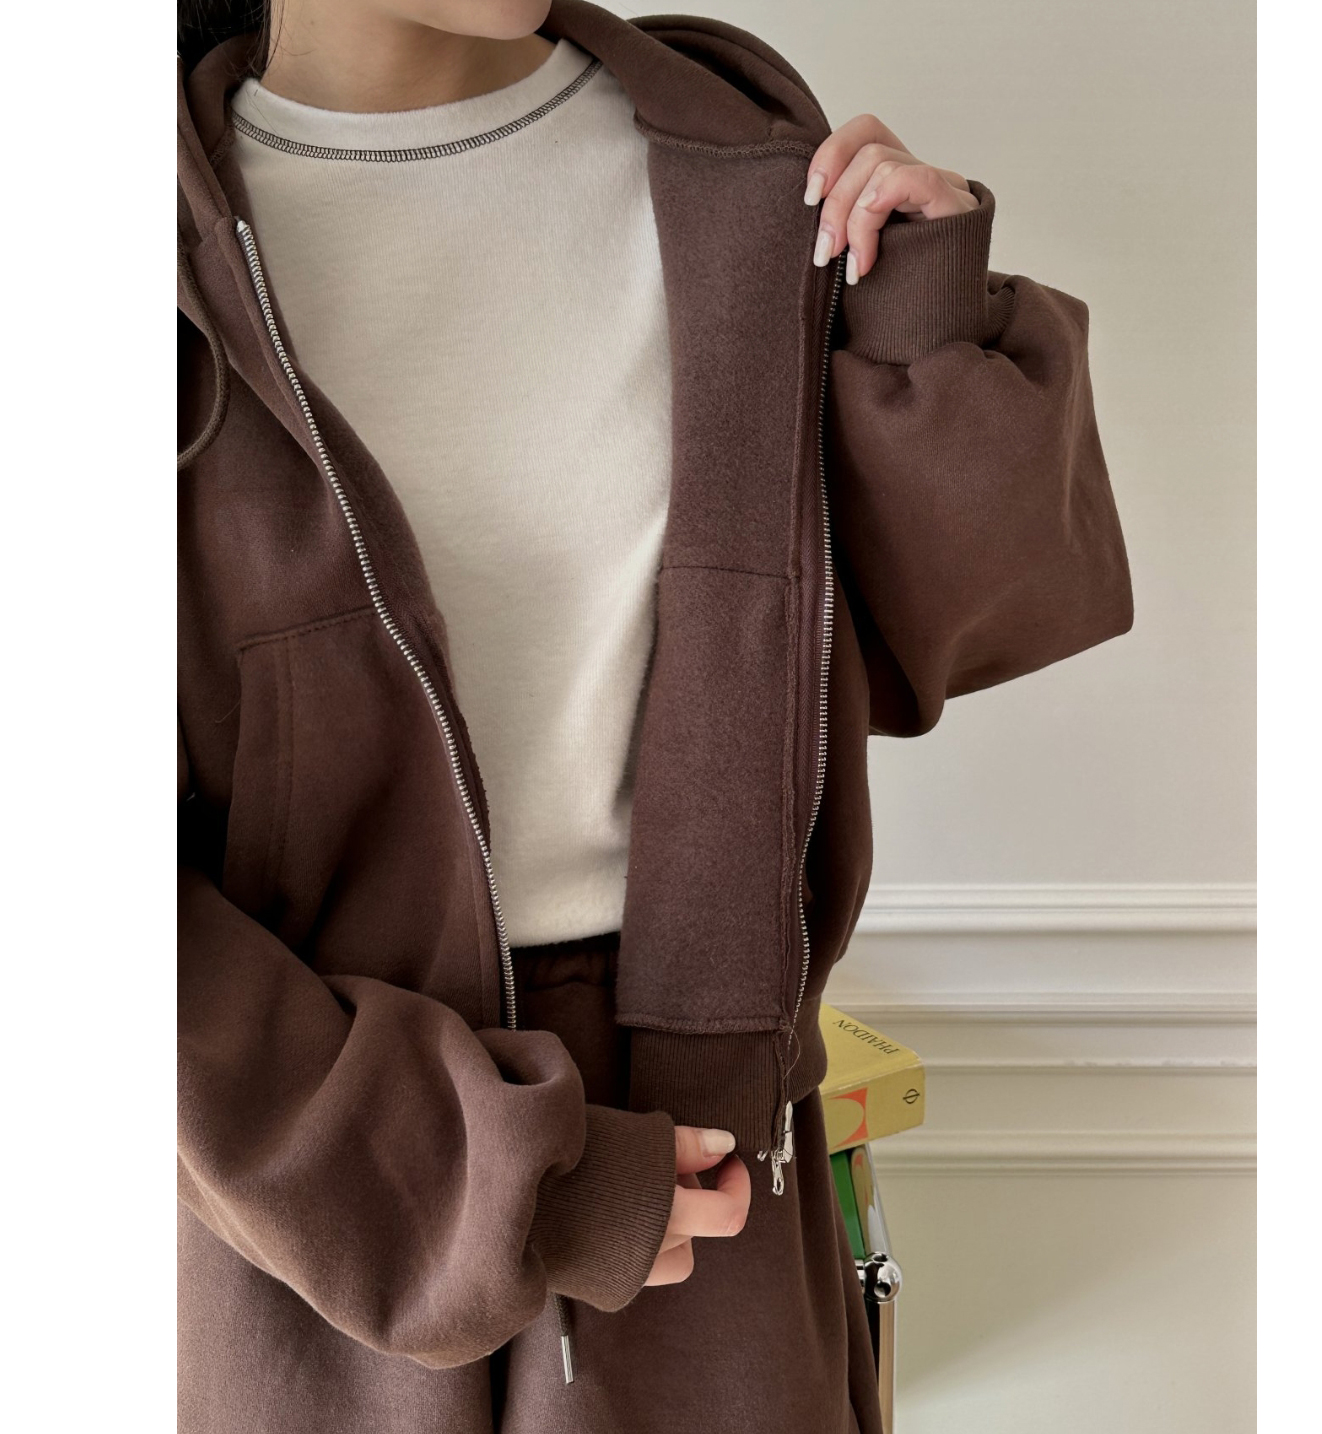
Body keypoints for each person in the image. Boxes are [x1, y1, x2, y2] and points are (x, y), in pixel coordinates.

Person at [176, 1, 1133, 1429]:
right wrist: (484, 1179)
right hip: (319, 1204)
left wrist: (925, 330)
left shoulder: (738, 170)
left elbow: (958, 630)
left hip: (712, 1165)